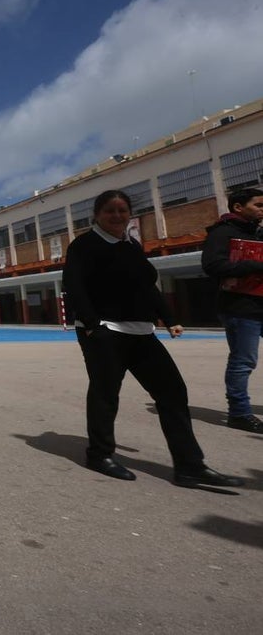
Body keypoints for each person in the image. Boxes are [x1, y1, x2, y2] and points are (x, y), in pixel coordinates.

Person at [62, 189, 244, 488]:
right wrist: (94, 326)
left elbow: (148, 286)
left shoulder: (131, 245)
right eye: (110, 210)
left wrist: (169, 319)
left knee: (173, 392)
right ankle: (100, 454)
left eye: (123, 210)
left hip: (142, 331)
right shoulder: (85, 245)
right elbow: (74, 285)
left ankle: (189, 466)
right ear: (96, 215)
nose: (117, 216)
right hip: (105, 331)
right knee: (106, 394)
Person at [201, 187, 263, 433]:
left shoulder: (257, 233)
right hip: (240, 308)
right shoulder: (222, 233)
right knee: (243, 360)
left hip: (260, 303)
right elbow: (212, 265)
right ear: (238, 207)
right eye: (258, 205)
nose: (262, 209)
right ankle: (239, 412)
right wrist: (254, 264)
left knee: (243, 360)